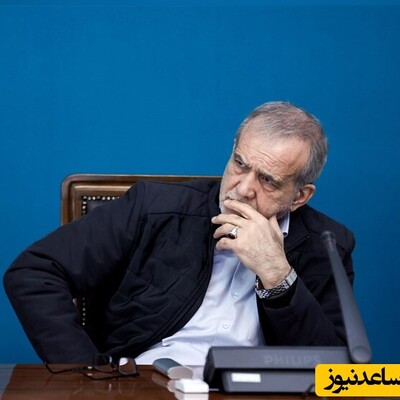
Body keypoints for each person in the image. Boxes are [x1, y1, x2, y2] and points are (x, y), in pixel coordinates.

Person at [3, 101, 355, 366]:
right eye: (240, 163)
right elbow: (33, 272)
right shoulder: (153, 208)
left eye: (268, 180)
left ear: (300, 196)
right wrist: (86, 375)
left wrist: (278, 276)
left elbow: (336, 373)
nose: (243, 188)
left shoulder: (327, 244)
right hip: (144, 387)